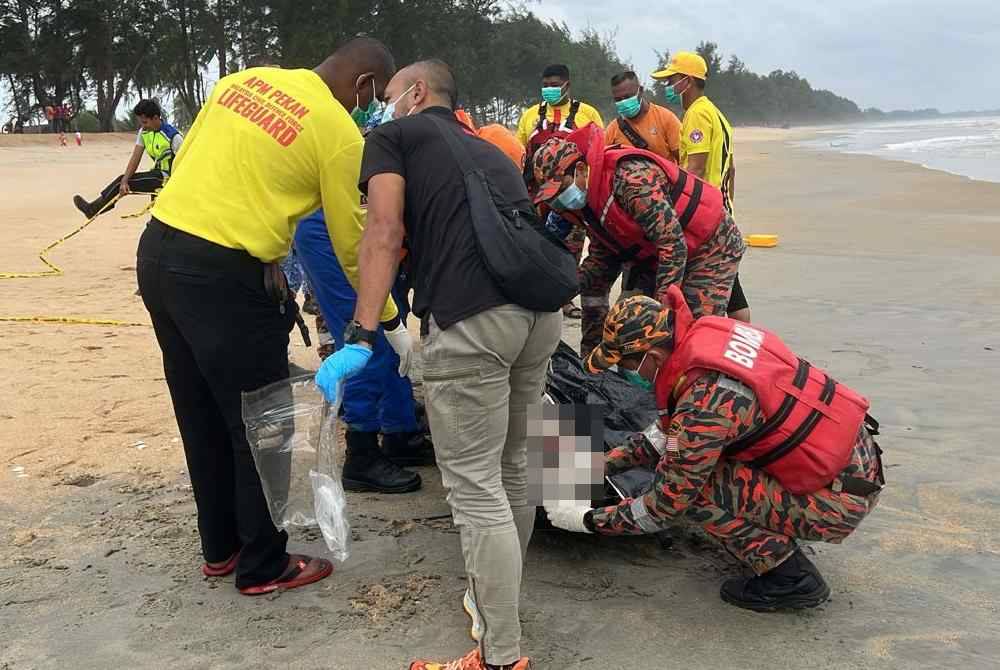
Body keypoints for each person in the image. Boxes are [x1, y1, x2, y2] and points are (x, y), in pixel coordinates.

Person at [136, 37, 408, 596]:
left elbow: (195, 168)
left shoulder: (242, 81)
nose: (371, 105)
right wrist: (387, 319)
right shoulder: (336, 133)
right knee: (263, 423)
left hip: (159, 251)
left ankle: (221, 548)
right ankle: (263, 565)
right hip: (224, 277)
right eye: (375, 94)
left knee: (200, 410)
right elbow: (356, 238)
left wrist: (268, 251)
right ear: (362, 85)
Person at [316, 58, 559, 670]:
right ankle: (495, 603)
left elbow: (384, 230)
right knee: (516, 471)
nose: (383, 105)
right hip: (540, 318)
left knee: (475, 490)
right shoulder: (492, 150)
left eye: (390, 94)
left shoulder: (394, 137)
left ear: (416, 93)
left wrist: (361, 334)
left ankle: (499, 656)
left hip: (473, 322)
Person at [546, 286, 885, 611]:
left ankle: (789, 577)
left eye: (626, 363)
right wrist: (600, 466)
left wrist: (587, 520)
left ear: (651, 355)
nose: (625, 372)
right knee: (691, 465)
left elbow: (664, 508)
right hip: (851, 461)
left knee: (696, 490)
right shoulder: (709, 332)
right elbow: (667, 436)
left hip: (839, 499)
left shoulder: (704, 402)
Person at [532, 123, 745, 358]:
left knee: (685, 332)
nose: (560, 201)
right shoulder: (587, 201)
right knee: (624, 328)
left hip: (711, 245)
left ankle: (701, 382)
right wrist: (561, 289)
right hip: (656, 254)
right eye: (553, 197)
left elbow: (672, 245)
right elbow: (602, 259)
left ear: (581, 169)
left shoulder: (631, 180)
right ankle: (593, 367)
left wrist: (662, 311)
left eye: (561, 189)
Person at [294, 208, 432, 493]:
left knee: (387, 342)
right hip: (347, 228)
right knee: (370, 340)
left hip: (368, 226)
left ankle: (400, 431)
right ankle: (363, 448)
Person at [653, 52, 751, 322]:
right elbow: (730, 169)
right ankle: (746, 338)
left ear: (688, 81)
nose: (668, 86)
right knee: (731, 288)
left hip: (704, 217)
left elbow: (694, 168)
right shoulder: (717, 114)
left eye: (672, 79)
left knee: (705, 289)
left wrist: (672, 211)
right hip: (721, 209)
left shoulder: (696, 114)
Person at [516, 63, 604, 320]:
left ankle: (565, 299)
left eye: (554, 85)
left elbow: (598, 152)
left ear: (567, 84)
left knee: (571, 247)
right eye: (545, 85)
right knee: (533, 242)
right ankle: (534, 294)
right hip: (537, 194)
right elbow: (522, 154)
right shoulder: (530, 115)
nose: (549, 90)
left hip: (571, 194)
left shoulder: (588, 114)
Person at [72, 100, 183, 219]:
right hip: (156, 175)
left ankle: (92, 209)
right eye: (141, 122)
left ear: (156, 118)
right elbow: (135, 158)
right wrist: (125, 180)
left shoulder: (173, 137)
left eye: (145, 122)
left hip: (167, 179)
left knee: (122, 182)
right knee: (156, 216)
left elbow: (186, 165)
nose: (143, 126)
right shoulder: (144, 132)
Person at [604, 70, 681, 164]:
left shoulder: (666, 119)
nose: (623, 102)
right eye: (618, 99)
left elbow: (683, 158)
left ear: (640, 91)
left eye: (628, 97)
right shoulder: (613, 130)